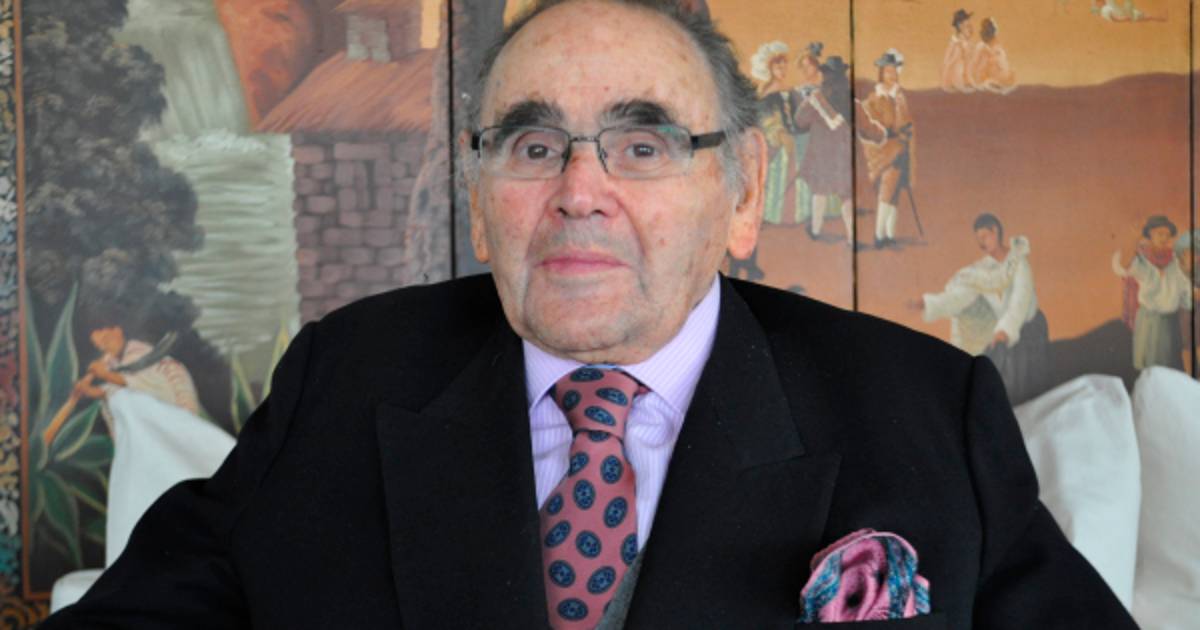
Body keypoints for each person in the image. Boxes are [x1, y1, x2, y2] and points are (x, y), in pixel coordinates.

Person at [45, 1, 1137, 628]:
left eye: (643, 145)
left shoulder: (923, 408)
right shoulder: (346, 377)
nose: (578, 190)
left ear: (744, 195)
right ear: (480, 203)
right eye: (532, 146)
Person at [913, 214, 1049, 405]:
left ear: (995, 231)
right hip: (1002, 335)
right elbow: (960, 297)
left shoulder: (1018, 261)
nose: (981, 243)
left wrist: (1005, 331)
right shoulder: (982, 269)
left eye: (984, 236)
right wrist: (930, 303)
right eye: (978, 239)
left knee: (1028, 391)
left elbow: (1020, 301)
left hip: (1028, 330)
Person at [1112, 215, 1195, 371]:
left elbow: (1187, 295)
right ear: (1149, 236)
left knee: (1170, 369)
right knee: (1146, 369)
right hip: (1147, 323)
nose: (1164, 238)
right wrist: (1133, 239)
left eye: (1167, 235)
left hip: (1169, 324)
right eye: (1159, 234)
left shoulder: (1177, 263)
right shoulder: (1143, 262)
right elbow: (1122, 266)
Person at [792, 55, 854, 243]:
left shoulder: (817, 98)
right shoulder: (850, 97)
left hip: (822, 155)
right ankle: (851, 236)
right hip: (844, 155)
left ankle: (816, 230)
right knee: (846, 196)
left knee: (820, 191)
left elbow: (800, 121)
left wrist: (806, 102)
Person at [859, 48, 916, 248]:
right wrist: (894, 130)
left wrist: (906, 130)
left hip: (901, 148)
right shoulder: (874, 99)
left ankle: (889, 234)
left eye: (894, 70)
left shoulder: (899, 96)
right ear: (881, 73)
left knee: (895, 190)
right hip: (885, 150)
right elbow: (875, 127)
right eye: (887, 71)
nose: (892, 74)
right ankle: (879, 235)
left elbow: (906, 121)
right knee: (887, 189)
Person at [969, 17, 1017, 94]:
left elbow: (1004, 66)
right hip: (988, 82)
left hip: (999, 81)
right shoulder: (981, 47)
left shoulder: (998, 48)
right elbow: (973, 67)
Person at [941, 9, 976, 93]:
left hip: (965, 84)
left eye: (971, 26)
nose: (971, 30)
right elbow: (947, 66)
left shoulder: (966, 44)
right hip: (955, 86)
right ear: (960, 26)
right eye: (968, 26)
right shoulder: (956, 45)